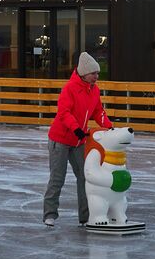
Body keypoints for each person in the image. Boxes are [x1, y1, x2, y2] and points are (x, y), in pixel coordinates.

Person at [43, 52, 114, 227]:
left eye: (97, 74)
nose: (96, 77)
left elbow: (98, 111)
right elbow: (64, 113)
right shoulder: (70, 88)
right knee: (57, 178)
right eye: (93, 74)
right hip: (60, 139)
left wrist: (109, 127)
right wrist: (76, 128)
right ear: (84, 73)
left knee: (85, 177)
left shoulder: (94, 90)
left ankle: (86, 216)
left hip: (79, 141)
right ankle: (49, 215)